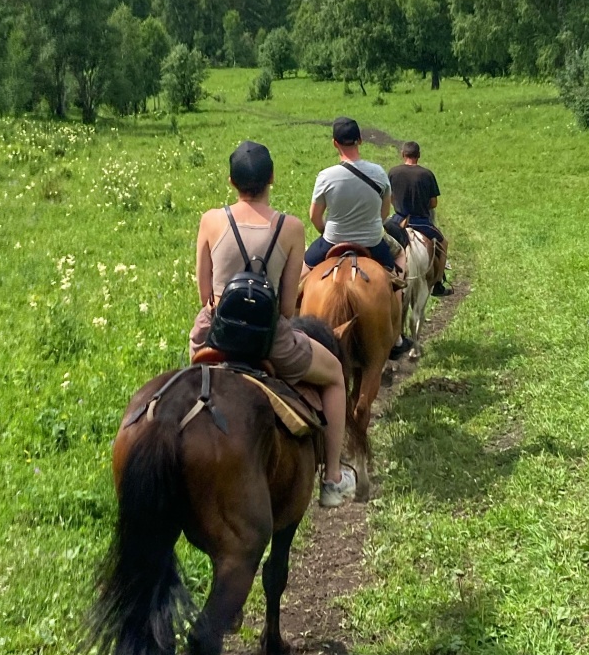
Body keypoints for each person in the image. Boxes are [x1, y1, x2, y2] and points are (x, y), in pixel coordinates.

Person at [191, 140, 356, 508]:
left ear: (231, 181)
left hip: (216, 335)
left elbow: (205, 294)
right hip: (270, 342)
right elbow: (285, 306)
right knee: (333, 376)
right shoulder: (292, 227)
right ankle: (331, 478)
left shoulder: (211, 220)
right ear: (272, 179)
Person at [304, 117, 411, 353]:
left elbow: (314, 215)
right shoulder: (379, 173)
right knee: (400, 261)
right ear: (360, 140)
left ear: (334, 143)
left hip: (332, 240)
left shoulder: (326, 176)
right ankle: (397, 336)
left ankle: (293, 327)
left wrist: (326, 232)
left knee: (300, 275)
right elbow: (384, 214)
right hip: (373, 241)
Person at [388, 140, 449, 293]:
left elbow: (389, 197)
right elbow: (434, 203)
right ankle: (438, 284)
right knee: (444, 243)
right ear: (419, 155)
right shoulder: (427, 174)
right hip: (421, 222)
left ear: (403, 154)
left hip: (398, 220)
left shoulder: (393, 172)